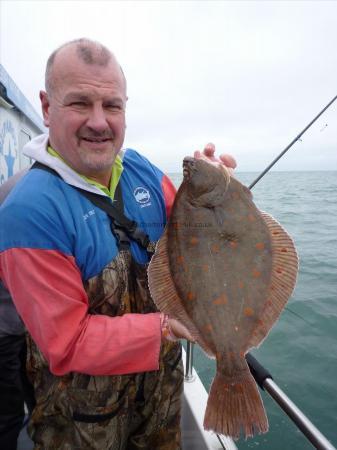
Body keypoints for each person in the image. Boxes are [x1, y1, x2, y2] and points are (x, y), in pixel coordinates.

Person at [0, 38, 236, 450]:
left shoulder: (142, 169)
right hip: (81, 421)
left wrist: (214, 190)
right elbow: (66, 343)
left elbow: (193, 235)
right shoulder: (29, 211)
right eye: (79, 103)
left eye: (112, 106)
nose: (99, 121)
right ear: (46, 107)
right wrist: (164, 327)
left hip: (160, 399)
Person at [0, 170, 35, 450]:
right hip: (7, 325)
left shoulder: (19, 184)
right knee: (8, 412)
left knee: (29, 390)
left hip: (21, 322)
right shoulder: (29, 190)